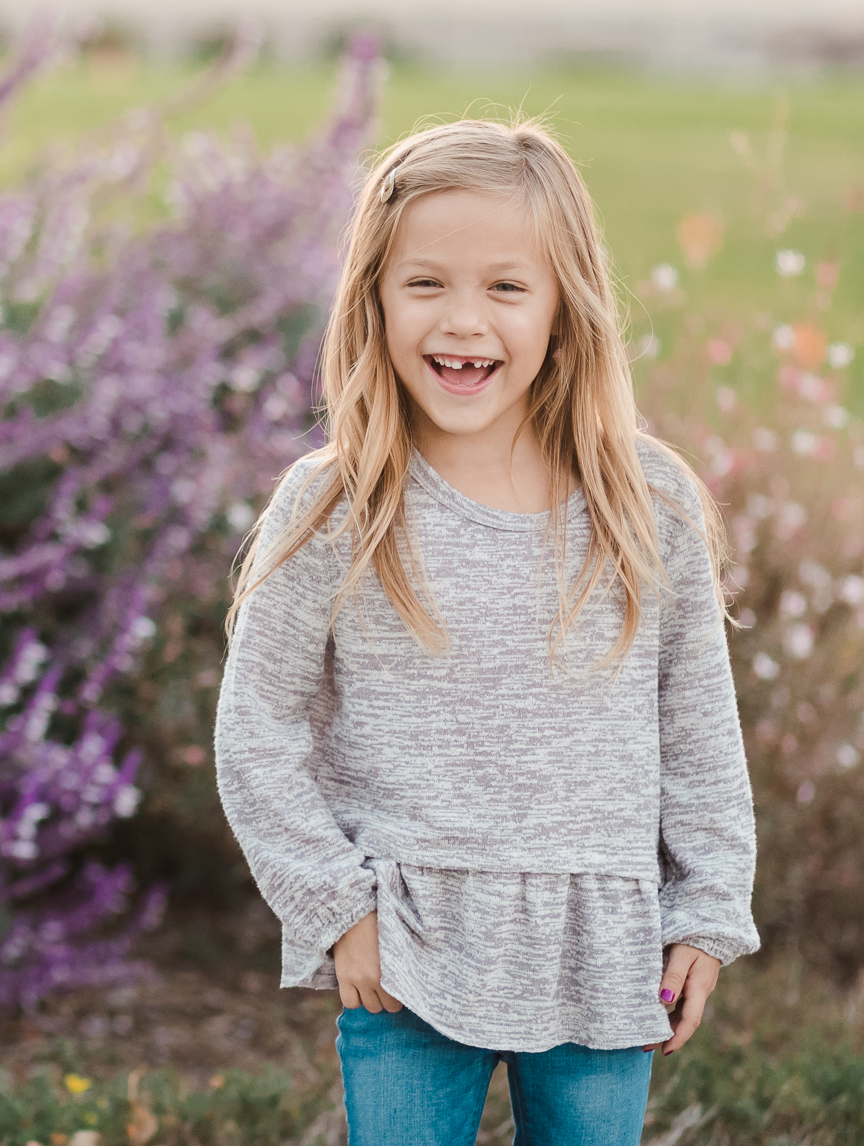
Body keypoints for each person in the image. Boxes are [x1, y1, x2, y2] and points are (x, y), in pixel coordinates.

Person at [213, 117, 758, 1145]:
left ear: (563, 308)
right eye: (425, 284)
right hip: (406, 958)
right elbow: (254, 733)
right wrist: (335, 910)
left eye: (505, 287)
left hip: (603, 955)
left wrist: (707, 911)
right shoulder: (334, 505)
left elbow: (695, 729)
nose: (462, 321)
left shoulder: (646, 504)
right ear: (372, 299)